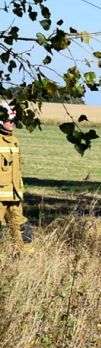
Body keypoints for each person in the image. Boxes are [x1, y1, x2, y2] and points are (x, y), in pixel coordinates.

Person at [0, 103, 31, 243]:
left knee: (22, 227)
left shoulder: (15, 142)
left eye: (14, 120)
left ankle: (26, 259)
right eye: (9, 120)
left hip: (15, 196)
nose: (12, 123)